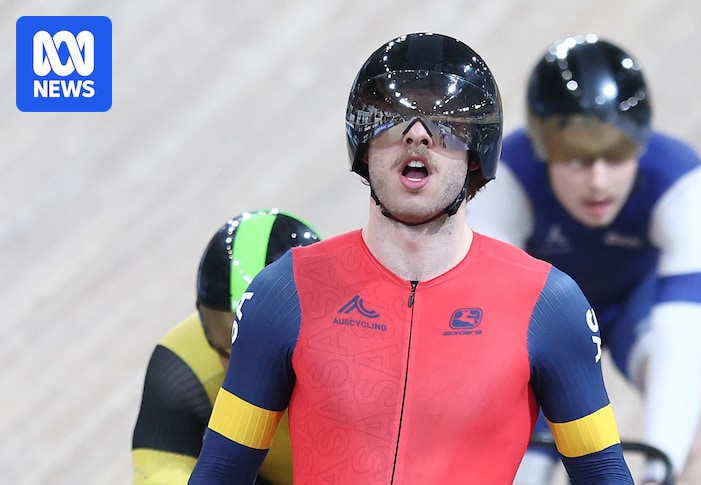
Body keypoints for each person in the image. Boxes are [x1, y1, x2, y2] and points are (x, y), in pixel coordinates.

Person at [189, 32, 633, 484]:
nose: (417, 134)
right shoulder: (284, 293)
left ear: (477, 152)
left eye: (444, 122)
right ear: (363, 146)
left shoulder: (548, 304)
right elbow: (220, 472)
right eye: (392, 118)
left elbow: (602, 471)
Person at [466, 34, 701, 485]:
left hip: (644, 303)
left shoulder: (684, 183)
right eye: (576, 159)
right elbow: (494, 337)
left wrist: (657, 470)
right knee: (513, 444)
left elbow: (680, 334)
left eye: (616, 155)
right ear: (541, 149)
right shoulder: (504, 180)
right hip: (544, 311)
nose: (598, 181)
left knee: (697, 411)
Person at [131, 209, 321, 485]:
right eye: (231, 334)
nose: (257, 360)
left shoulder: (383, 332)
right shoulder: (184, 366)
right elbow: (158, 473)